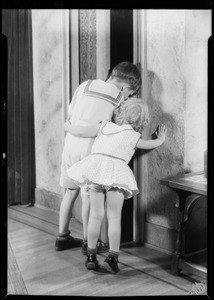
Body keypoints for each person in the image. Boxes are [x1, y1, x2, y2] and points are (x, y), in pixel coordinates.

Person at [66, 98, 167, 273]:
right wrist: (160, 140)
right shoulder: (133, 136)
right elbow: (150, 144)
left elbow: (82, 132)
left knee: (95, 216)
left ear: (121, 112)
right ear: (141, 121)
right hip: (116, 174)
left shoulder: (105, 126)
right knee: (114, 217)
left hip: (96, 170)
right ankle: (113, 256)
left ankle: (90, 255)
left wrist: (68, 127)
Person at [55, 62, 142, 255]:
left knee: (69, 192)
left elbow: (70, 114)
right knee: (87, 196)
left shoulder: (84, 85)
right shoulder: (118, 98)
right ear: (126, 87)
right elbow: (117, 125)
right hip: (91, 148)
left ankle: (62, 236)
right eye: (130, 94)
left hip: (70, 143)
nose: (127, 97)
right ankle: (88, 242)